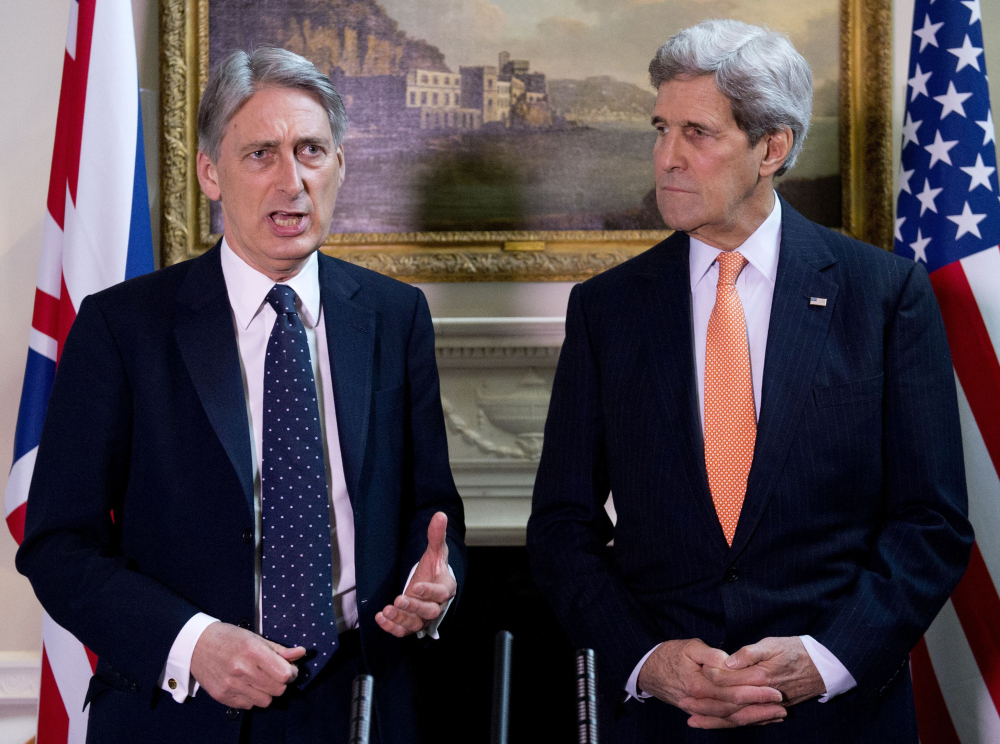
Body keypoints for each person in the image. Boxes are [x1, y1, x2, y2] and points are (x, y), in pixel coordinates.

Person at [527, 19, 972, 743]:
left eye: (697, 133)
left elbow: (932, 522)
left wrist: (825, 660)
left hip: (839, 714)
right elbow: (560, 527)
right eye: (659, 127)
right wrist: (646, 659)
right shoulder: (607, 308)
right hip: (669, 717)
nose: (666, 158)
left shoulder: (883, 295)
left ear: (773, 147)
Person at [16, 47, 465, 744]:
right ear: (210, 174)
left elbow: (430, 511)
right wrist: (194, 643)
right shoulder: (122, 327)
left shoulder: (394, 314)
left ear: (340, 165)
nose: (293, 181)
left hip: (360, 705)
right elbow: (56, 543)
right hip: (183, 709)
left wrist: (436, 583)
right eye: (261, 153)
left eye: (312, 150)